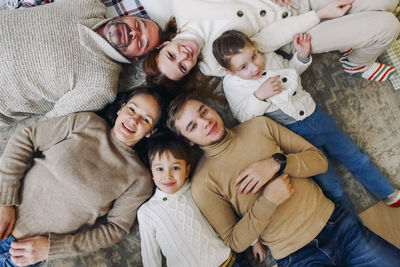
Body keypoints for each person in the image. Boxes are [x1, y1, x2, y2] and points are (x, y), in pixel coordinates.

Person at [166, 92, 400, 266]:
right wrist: (268, 201)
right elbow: (234, 241)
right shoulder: (203, 183)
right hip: (298, 256)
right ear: (189, 141)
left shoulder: (259, 126)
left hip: (338, 224)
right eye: (192, 126)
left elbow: (319, 160)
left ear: (212, 108)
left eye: (203, 111)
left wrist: (278, 162)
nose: (205, 122)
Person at [212, 29, 400, 210]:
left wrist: (301, 56)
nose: (254, 67)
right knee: (329, 182)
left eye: (253, 56)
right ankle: (351, 225)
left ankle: (387, 192)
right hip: (293, 134)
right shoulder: (233, 85)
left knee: (355, 156)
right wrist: (259, 96)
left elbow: (292, 74)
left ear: (254, 48)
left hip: (315, 115)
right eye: (243, 67)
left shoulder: (268, 57)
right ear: (228, 70)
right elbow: (243, 117)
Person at [0, 87, 164, 266]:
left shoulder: (139, 178)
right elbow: (26, 138)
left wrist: (51, 248)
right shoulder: (87, 122)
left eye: (145, 119)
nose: (134, 119)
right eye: (132, 109)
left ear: (151, 132)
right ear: (120, 108)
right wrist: (5, 200)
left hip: (19, 254)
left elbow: (116, 229)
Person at [143, 0, 399, 85]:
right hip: (292, 34)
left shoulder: (185, 4)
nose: (184, 56)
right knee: (388, 26)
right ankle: (356, 62)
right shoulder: (212, 62)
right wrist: (320, 15)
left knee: (387, 2)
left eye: (172, 56)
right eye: (183, 67)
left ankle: (351, 34)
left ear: (161, 46)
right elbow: (266, 41)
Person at [0, 0, 161, 126]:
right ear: (128, 16)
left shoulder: (101, 84)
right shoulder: (87, 4)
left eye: (141, 43)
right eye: (138, 25)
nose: (133, 33)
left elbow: (49, 124)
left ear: (135, 59)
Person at [137, 132, 260, 266]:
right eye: (160, 169)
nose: (168, 175)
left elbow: (230, 216)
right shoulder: (147, 212)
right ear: (152, 173)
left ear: (187, 171)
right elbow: (150, 257)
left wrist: (254, 242)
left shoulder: (198, 189)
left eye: (175, 168)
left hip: (229, 262)